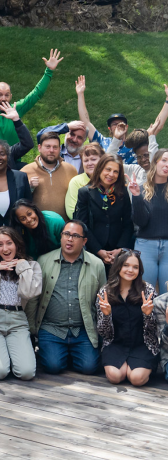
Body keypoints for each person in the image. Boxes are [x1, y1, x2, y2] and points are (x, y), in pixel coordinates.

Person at [26, 219, 106, 375]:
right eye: (66, 234)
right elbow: (34, 298)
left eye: (75, 236)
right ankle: (59, 352)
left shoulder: (97, 264)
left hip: (82, 329)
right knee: (52, 367)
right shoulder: (44, 261)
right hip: (51, 328)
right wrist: (32, 328)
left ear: (84, 241)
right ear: (61, 237)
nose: (70, 239)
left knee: (89, 368)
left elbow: (102, 300)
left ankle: (70, 353)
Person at [0, 227, 41, 380]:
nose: (5, 249)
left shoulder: (32, 266)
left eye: (9, 243)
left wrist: (22, 267)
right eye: (0, 244)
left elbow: (28, 293)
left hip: (17, 321)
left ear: (17, 244)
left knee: (26, 373)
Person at [96, 250, 157, 387]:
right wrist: (106, 315)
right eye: (126, 265)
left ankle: (142, 367)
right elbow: (104, 333)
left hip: (143, 344)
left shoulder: (147, 290)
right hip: (115, 343)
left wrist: (148, 314)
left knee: (136, 379)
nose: (130, 270)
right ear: (118, 267)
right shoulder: (105, 291)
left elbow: (154, 330)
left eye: (135, 267)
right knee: (115, 377)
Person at [77, 77, 168, 164]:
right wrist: (80, 94)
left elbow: (158, 125)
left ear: (126, 127)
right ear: (109, 128)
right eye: (114, 124)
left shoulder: (135, 142)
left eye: (121, 123)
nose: (118, 125)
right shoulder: (102, 141)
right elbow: (86, 122)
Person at [74, 154, 133, 267]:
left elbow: (128, 223)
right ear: (100, 168)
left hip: (117, 250)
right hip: (93, 249)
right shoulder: (85, 192)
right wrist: (98, 250)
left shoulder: (122, 192)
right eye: (108, 169)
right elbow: (82, 225)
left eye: (116, 171)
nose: (111, 174)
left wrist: (120, 249)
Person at [129, 150, 168, 291]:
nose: (167, 164)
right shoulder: (141, 189)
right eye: (164, 160)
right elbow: (140, 222)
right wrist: (137, 197)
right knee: (144, 292)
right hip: (146, 244)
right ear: (155, 162)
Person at [21, 131, 77, 220]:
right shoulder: (25, 171)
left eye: (55, 147)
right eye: (47, 147)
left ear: (59, 149)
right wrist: (29, 187)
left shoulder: (71, 170)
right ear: (39, 148)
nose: (51, 150)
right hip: (38, 227)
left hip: (65, 227)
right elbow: (18, 201)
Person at [65, 142, 105, 220]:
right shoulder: (76, 181)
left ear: (102, 160)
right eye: (86, 161)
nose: (89, 163)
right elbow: (71, 211)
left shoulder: (109, 179)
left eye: (93, 159)